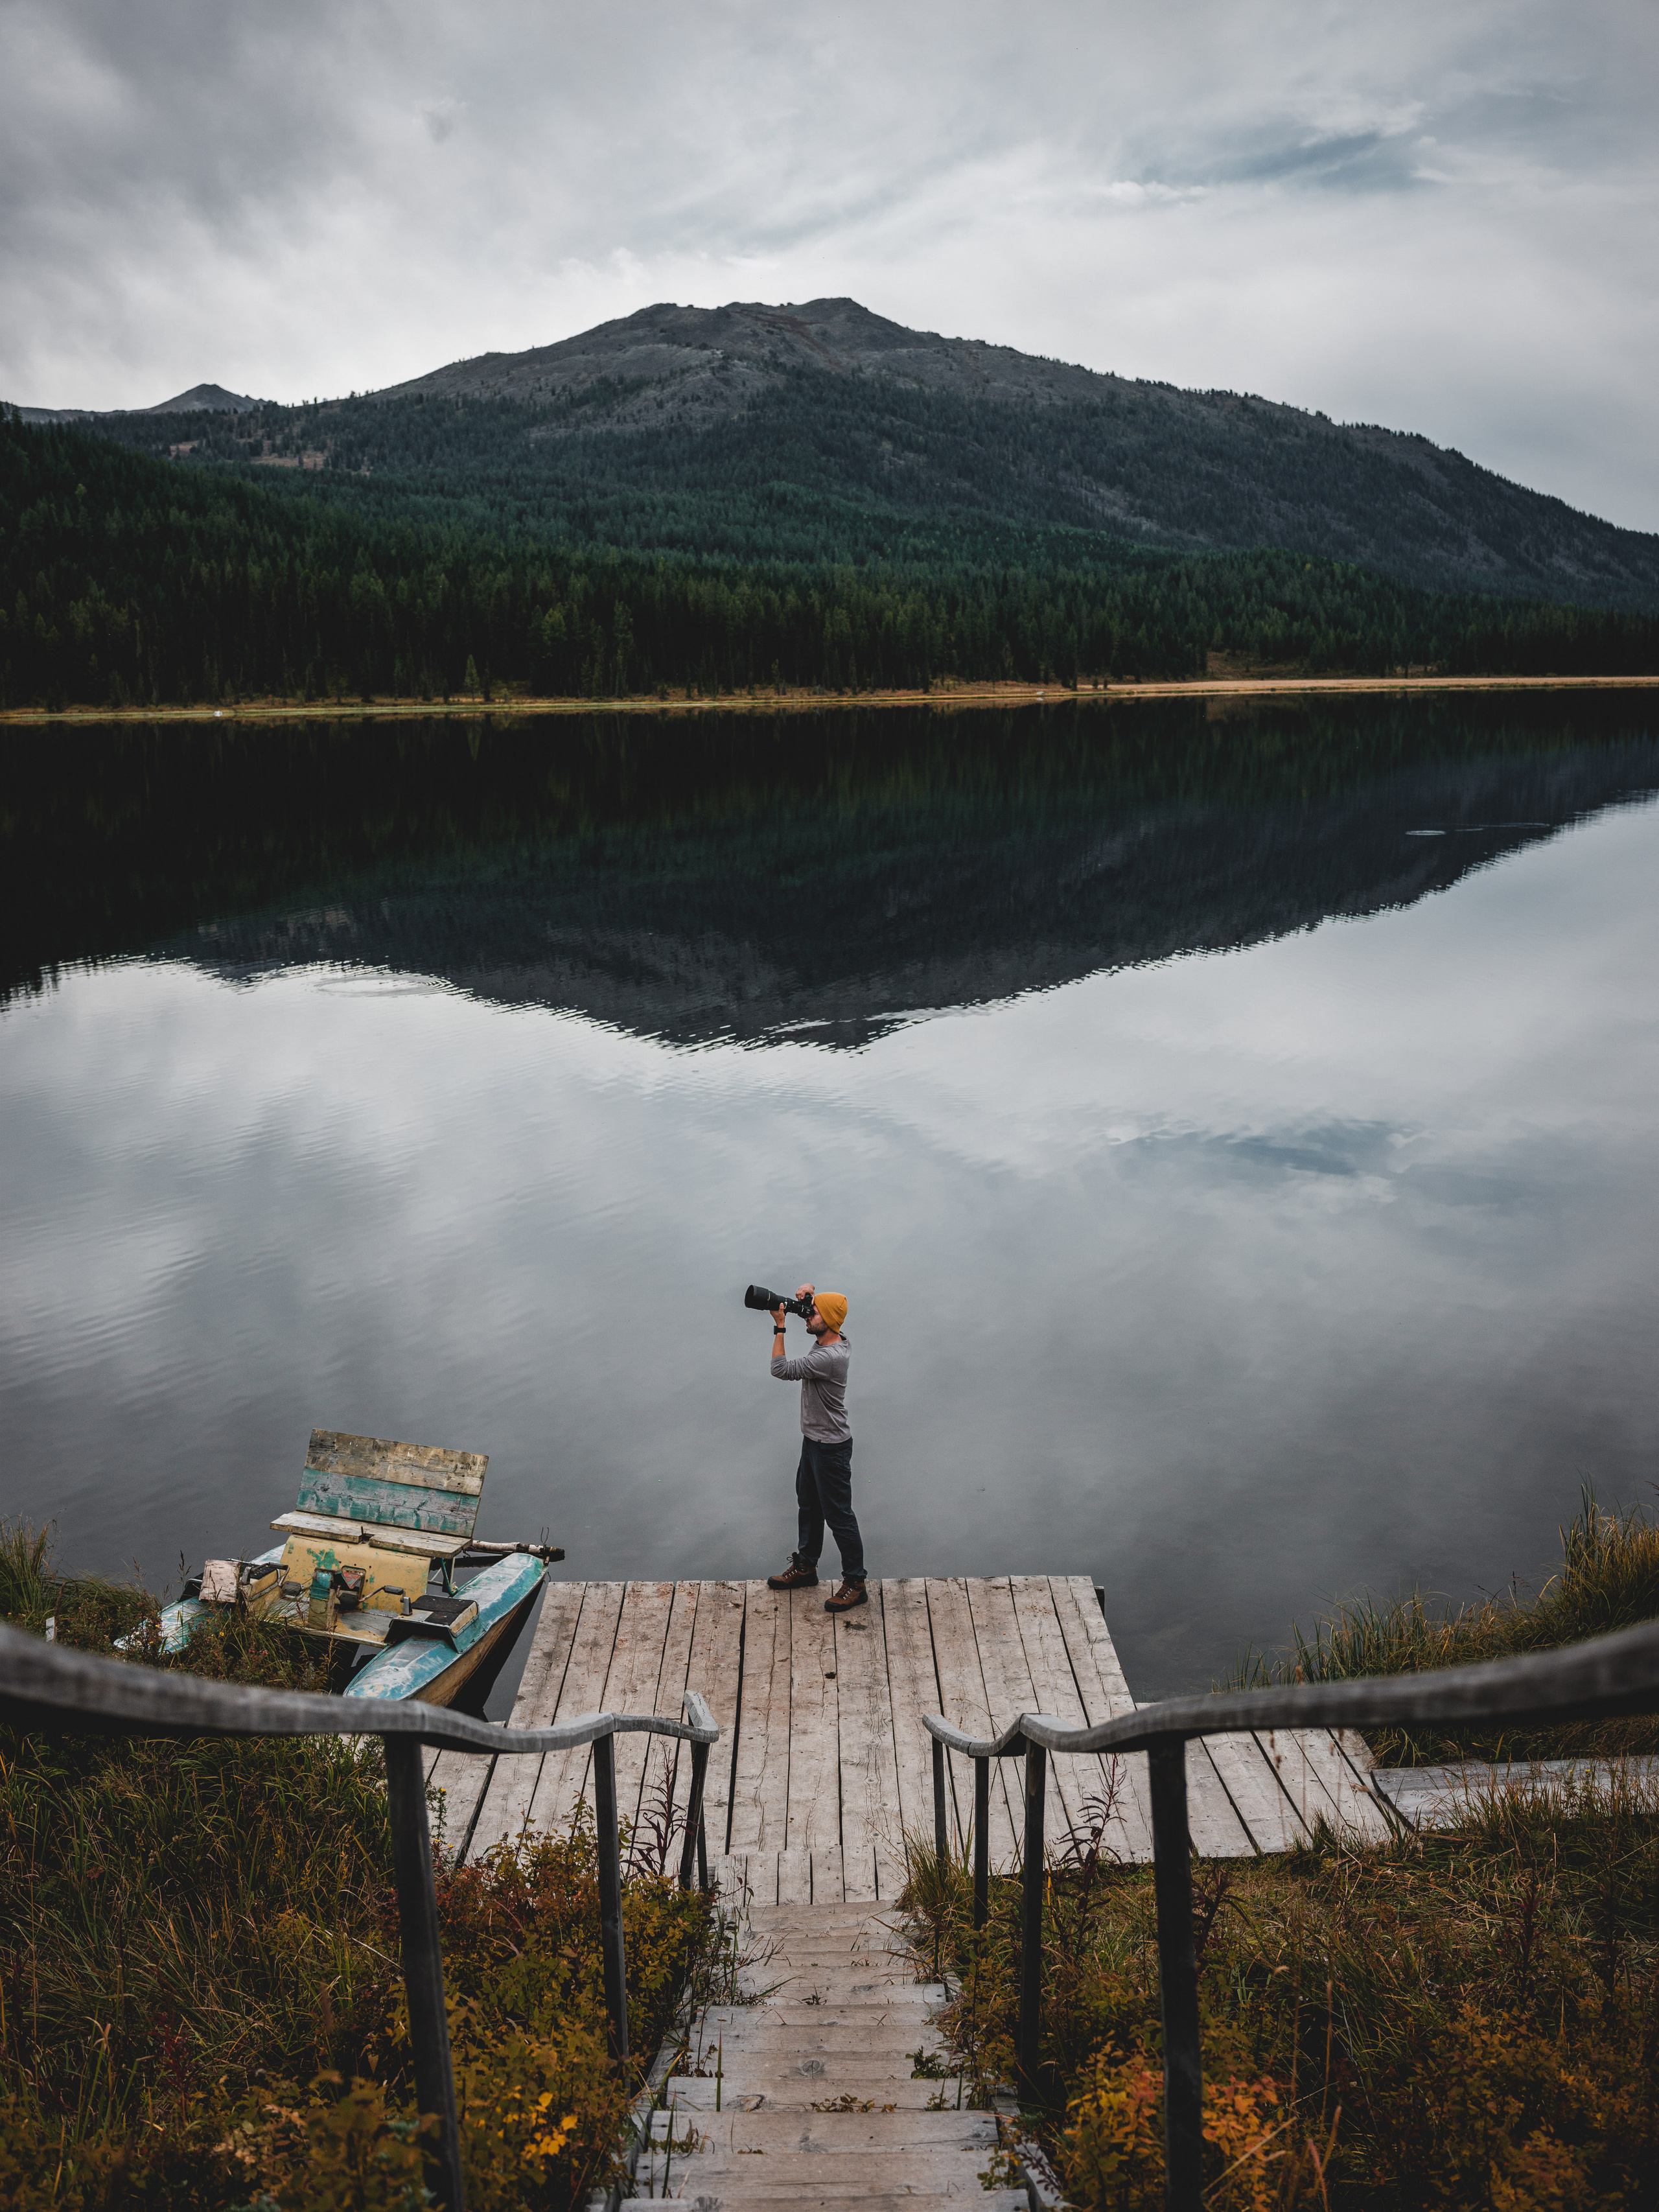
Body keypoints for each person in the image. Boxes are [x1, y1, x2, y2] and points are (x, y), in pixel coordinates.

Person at [764, 1281, 866, 1612]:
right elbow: (828, 1311)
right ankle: (806, 1567)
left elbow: (779, 1369)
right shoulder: (832, 1336)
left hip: (831, 1449)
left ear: (829, 1321)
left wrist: (780, 1325)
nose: (807, 1317)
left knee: (839, 1516)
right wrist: (810, 1297)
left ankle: (855, 1583)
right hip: (813, 1442)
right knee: (808, 1505)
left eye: (813, 1313)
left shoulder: (829, 1357)